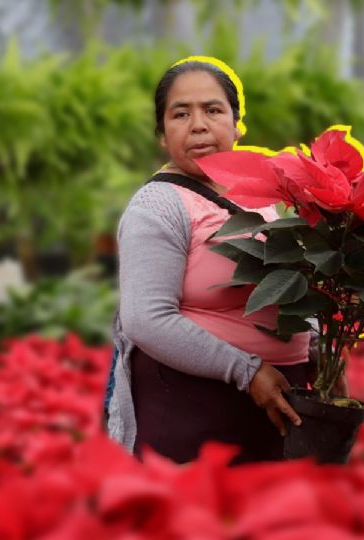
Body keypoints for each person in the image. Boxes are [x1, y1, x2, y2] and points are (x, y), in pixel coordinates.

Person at [103, 58, 311, 463]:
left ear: (236, 124)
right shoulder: (157, 206)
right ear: (163, 134)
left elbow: (288, 287)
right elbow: (146, 319)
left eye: (213, 110)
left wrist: (320, 346)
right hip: (193, 411)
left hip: (275, 410)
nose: (198, 124)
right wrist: (247, 371)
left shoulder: (257, 196)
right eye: (180, 114)